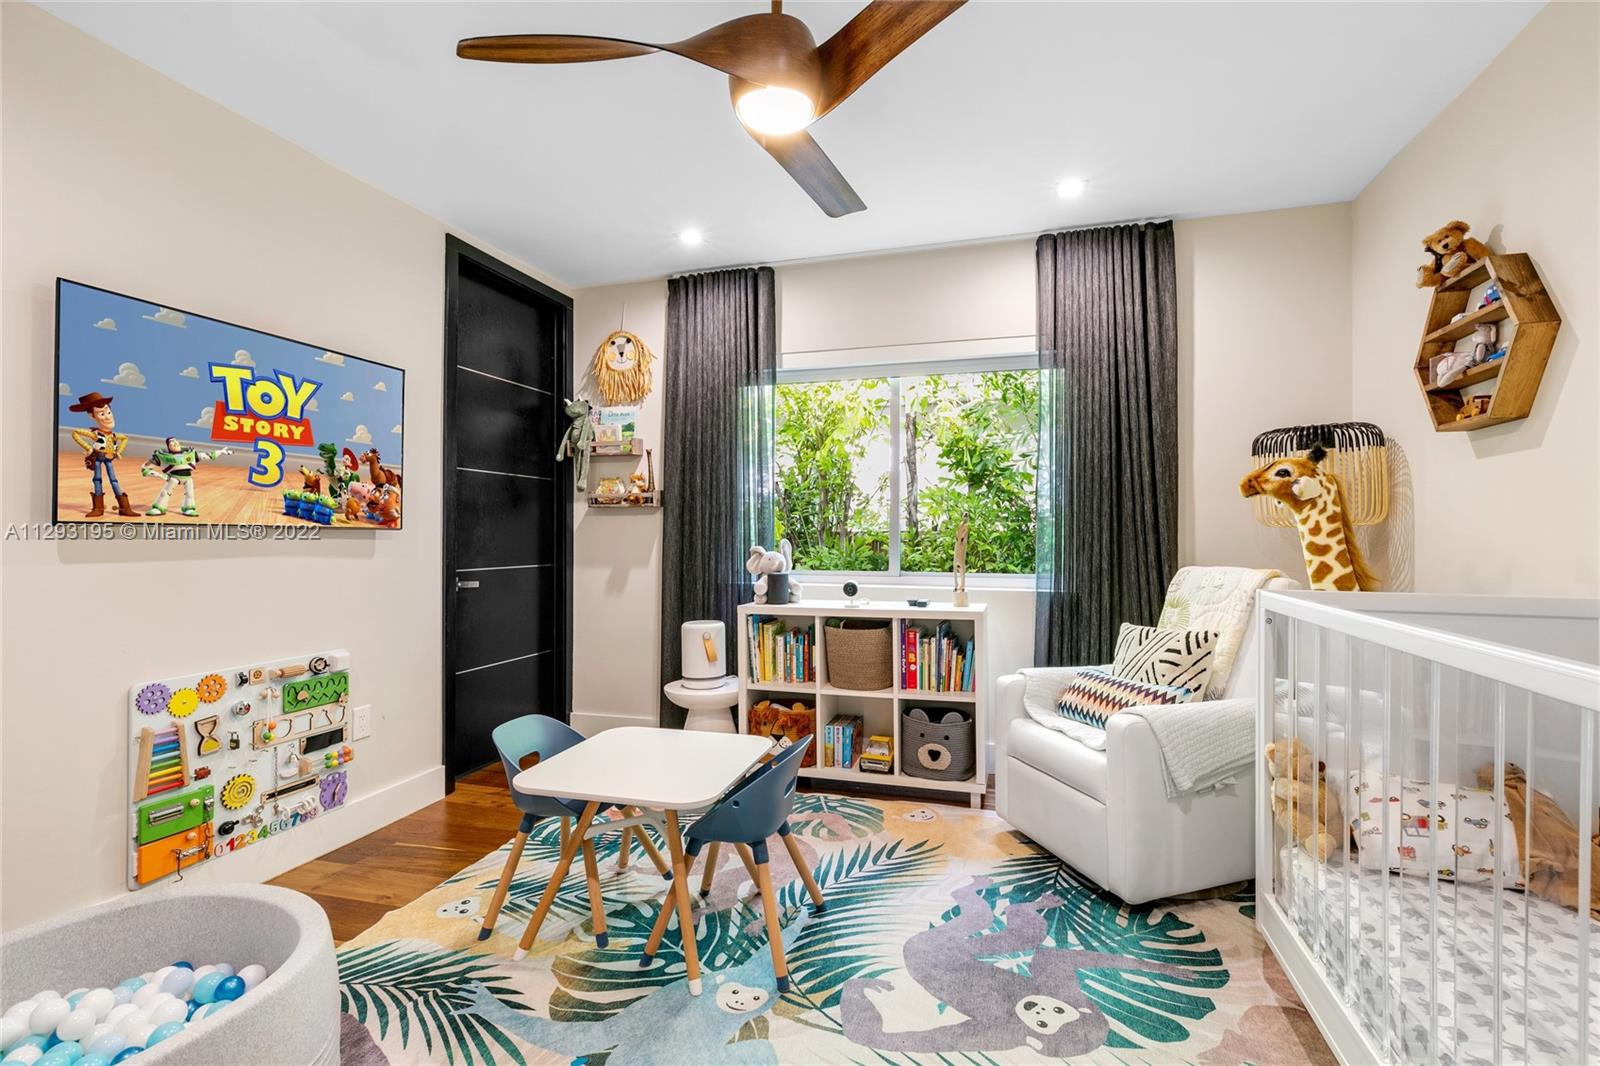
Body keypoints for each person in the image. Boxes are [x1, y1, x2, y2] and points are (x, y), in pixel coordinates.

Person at [67, 391, 137, 517]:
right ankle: (98, 508)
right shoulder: (95, 434)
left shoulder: (115, 435)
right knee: (97, 480)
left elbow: (125, 439)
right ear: (92, 416)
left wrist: (119, 452)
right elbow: (75, 433)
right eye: (102, 414)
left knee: (114, 480)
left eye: (109, 412)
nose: (108, 417)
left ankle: (124, 507)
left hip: (109, 459)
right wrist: (88, 448)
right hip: (98, 458)